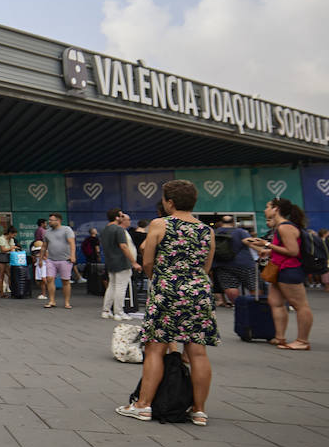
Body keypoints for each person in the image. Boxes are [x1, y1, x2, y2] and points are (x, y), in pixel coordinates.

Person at [116, 180, 217, 426]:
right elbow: (207, 266)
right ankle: (199, 411)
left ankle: (143, 405)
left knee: (155, 348)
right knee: (197, 351)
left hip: (167, 290)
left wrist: (160, 279)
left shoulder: (160, 224)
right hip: (198, 292)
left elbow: (148, 260)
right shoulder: (207, 230)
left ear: (169, 202)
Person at [252, 198, 314, 350]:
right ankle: (280, 337)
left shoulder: (284, 227)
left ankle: (302, 341)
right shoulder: (281, 226)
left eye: (267, 206)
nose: (265, 209)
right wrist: (269, 250)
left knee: (300, 305)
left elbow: (293, 251)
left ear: (276, 209)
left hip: (289, 269)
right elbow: (285, 249)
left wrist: (266, 244)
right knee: (276, 303)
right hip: (279, 269)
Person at [99, 208, 138, 320]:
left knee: (111, 286)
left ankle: (106, 311)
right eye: (121, 216)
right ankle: (118, 312)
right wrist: (134, 262)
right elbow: (124, 246)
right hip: (121, 262)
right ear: (117, 217)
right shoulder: (119, 230)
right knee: (121, 287)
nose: (123, 218)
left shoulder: (105, 230)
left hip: (110, 262)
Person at [211, 215, 256, 308]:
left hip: (222, 265)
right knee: (253, 286)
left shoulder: (214, 233)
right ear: (233, 222)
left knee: (230, 287)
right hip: (244, 263)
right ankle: (255, 305)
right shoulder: (240, 232)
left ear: (221, 223)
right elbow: (248, 242)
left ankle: (239, 306)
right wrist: (261, 249)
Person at [41, 213, 76, 309]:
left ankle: (67, 302)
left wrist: (73, 256)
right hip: (51, 260)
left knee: (65, 281)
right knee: (49, 279)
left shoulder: (67, 229)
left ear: (58, 221)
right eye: (49, 220)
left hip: (65, 260)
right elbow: (44, 246)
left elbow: (72, 243)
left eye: (51, 220)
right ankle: (52, 301)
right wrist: (40, 259)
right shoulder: (47, 232)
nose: (49, 222)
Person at [0, 226, 18, 296]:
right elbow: (3, 249)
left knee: (10, 274)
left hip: (7, 257)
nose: (13, 237)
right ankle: (1, 293)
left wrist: (14, 250)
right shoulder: (1, 239)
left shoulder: (11, 240)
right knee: (1, 276)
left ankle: (13, 291)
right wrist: (12, 248)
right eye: (13, 235)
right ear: (9, 233)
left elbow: (12, 250)